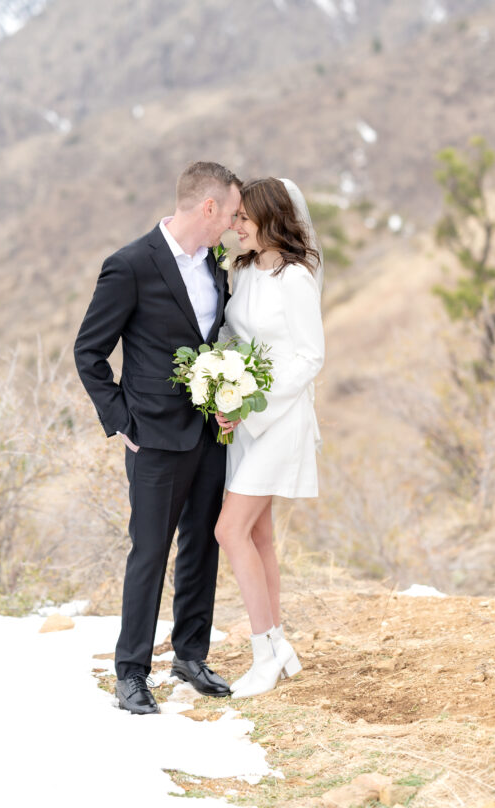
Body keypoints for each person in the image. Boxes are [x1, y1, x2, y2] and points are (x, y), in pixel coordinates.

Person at [74, 162, 241, 715]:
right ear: (208, 208)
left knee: (203, 545)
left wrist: (225, 399)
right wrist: (123, 420)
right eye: (233, 213)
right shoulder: (129, 265)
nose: (237, 224)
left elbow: (211, 339)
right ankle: (131, 672)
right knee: (149, 552)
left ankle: (191, 655)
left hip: (208, 432)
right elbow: (89, 352)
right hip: (154, 438)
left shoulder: (217, 265)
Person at [214, 177, 325, 698]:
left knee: (228, 530)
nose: (234, 226)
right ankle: (278, 643)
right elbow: (236, 333)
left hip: (278, 418)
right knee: (258, 536)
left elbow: (310, 356)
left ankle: (262, 654)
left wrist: (251, 402)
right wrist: (221, 379)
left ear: (267, 218)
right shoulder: (245, 271)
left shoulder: (295, 278)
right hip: (247, 422)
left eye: (241, 219)